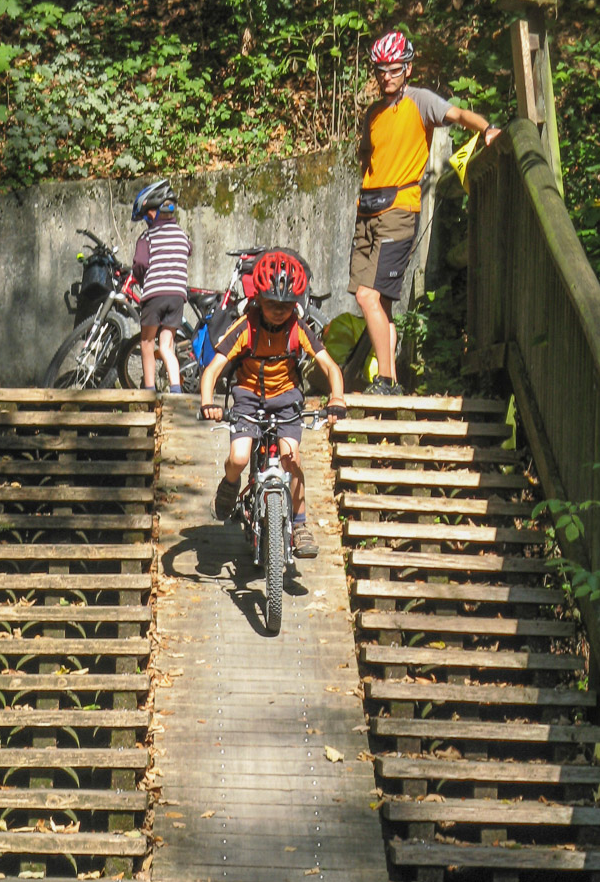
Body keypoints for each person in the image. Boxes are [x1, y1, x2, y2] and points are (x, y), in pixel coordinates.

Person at [350, 30, 501, 395]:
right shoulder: (372, 113)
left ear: (407, 68)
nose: (386, 76)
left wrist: (487, 129)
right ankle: (392, 382)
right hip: (367, 210)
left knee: (367, 298)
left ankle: (385, 380)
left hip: (399, 209)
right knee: (378, 300)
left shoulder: (420, 101)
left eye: (394, 69)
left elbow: (459, 113)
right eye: (380, 70)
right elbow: (367, 156)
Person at [199, 248, 346, 560]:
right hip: (248, 399)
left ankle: (300, 523)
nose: (279, 311)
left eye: (286, 305)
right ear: (258, 300)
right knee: (238, 458)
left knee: (292, 459)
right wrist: (207, 402)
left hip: (286, 400)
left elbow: (331, 367)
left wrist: (337, 398)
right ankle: (228, 484)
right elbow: (212, 369)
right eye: (271, 304)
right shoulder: (245, 326)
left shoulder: (297, 328)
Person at [130, 178, 193, 393]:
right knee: (167, 347)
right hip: (177, 297)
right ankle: (176, 392)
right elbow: (188, 249)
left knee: (147, 342)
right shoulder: (182, 236)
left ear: (150, 213)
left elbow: (139, 264)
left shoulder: (147, 236)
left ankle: (148, 392)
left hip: (154, 295)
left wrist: (139, 278)